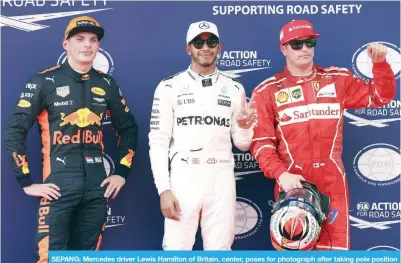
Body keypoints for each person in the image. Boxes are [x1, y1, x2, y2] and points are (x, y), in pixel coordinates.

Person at [250, 19, 396, 250]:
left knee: (335, 255)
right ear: (283, 48)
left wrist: (379, 65)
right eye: (297, 44)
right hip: (293, 184)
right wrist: (282, 175)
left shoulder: (337, 79)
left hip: (332, 185)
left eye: (309, 42)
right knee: (293, 253)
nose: (305, 49)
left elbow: (380, 96)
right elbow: (261, 145)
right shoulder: (267, 90)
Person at [4, 16, 138, 262]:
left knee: (85, 258)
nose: (87, 45)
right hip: (57, 187)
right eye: (79, 39)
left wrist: (122, 171)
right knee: (49, 257)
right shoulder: (43, 81)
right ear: (65, 44)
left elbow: (128, 128)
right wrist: (25, 180)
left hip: (97, 188)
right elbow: (14, 130)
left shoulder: (106, 83)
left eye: (93, 40)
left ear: (98, 47)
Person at [148, 20, 256, 250]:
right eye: (199, 42)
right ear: (189, 48)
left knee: (220, 250)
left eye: (211, 41)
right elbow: (158, 142)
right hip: (184, 178)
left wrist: (245, 126)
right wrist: (164, 189)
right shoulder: (169, 87)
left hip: (221, 178)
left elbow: (243, 144)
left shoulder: (235, 88)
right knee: (177, 249)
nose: (205, 47)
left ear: (220, 47)